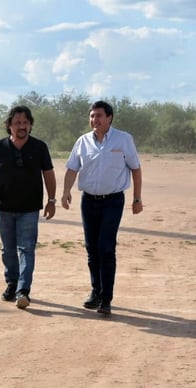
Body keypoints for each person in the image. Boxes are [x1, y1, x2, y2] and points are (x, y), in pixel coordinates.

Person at [61, 100, 143, 315]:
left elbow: (135, 168)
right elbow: (72, 168)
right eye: (92, 116)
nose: (94, 120)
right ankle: (95, 291)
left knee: (106, 248)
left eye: (98, 115)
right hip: (88, 201)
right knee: (92, 249)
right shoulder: (83, 141)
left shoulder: (123, 140)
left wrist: (137, 198)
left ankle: (106, 297)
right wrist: (66, 191)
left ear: (109, 118)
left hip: (113, 201)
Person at [0, 105, 57, 309]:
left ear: (30, 125)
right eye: (17, 123)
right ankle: (12, 284)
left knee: (26, 249)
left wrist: (51, 200)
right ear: (9, 126)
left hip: (30, 209)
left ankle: (23, 290)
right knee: (8, 250)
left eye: (25, 123)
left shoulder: (39, 147)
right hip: (4, 208)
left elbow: (48, 174)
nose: (22, 126)